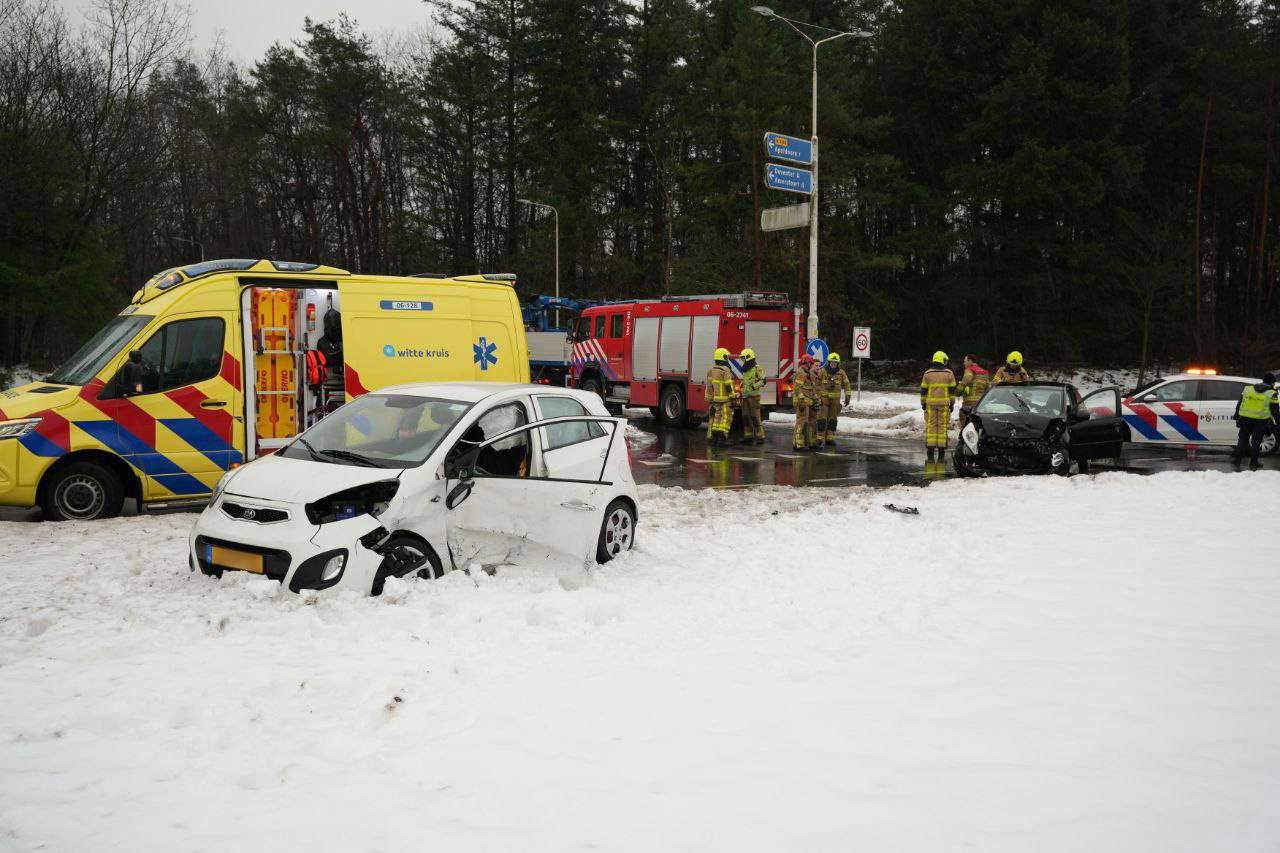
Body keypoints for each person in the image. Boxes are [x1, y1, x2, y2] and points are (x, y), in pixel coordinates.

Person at [1231, 372, 1279, 470]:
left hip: (1245, 418)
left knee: (1242, 440)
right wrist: (1278, 423)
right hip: (1260, 421)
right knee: (1256, 442)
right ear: (1272, 383)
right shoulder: (1272, 393)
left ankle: (1237, 461)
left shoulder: (1248, 389)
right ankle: (1253, 463)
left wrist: (1236, 414)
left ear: (1263, 380)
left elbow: (1240, 403)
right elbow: (1275, 412)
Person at [920, 351, 957, 462]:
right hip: (944, 404)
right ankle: (941, 453)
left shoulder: (927, 373)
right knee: (942, 426)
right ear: (942, 360)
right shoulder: (949, 373)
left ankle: (930, 451)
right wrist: (952, 404)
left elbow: (923, 391)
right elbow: (952, 391)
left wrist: (923, 403)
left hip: (930, 404)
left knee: (931, 426)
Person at [816, 353, 852, 448]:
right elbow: (816, 385)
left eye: (835, 363)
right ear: (829, 362)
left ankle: (830, 439)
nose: (833, 364)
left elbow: (847, 385)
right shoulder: (822, 372)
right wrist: (817, 397)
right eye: (832, 362)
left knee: (832, 420)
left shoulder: (841, 373)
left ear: (838, 363)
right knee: (822, 420)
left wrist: (848, 397)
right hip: (824, 401)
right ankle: (819, 439)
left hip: (835, 402)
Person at [705, 347, 736, 447]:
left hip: (715, 399)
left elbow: (709, 386)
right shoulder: (725, 370)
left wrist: (710, 398)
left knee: (717, 417)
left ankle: (715, 438)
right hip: (725, 398)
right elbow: (728, 384)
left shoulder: (711, 370)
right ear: (723, 358)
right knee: (726, 417)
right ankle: (722, 439)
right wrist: (732, 396)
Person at [738, 348, 766, 445]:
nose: (742, 360)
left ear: (749, 357)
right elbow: (746, 381)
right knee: (745, 417)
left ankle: (760, 436)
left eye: (743, 358)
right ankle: (748, 436)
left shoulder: (757, 368)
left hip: (754, 397)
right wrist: (741, 387)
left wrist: (753, 386)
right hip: (745, 397)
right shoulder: (746, 369)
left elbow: (763, 380)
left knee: (755, 417)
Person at [792, 354, 818, 451]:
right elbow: (797, 388)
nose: (811, 365)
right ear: (808, 363)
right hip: (803, 403)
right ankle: (798, 444)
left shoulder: (808, 373)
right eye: (811, 363)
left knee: (811, 422)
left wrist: (816, 400)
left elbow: (812, 388)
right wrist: (801, 401)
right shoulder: (801, 373)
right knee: (801, 423)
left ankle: (811, 443)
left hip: (809, 402)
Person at [957, 354, 991, 429]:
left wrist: (958, 391)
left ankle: (965, 439)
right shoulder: (984, 372)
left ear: (970, 361)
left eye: (965, 361)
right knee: (978, 423)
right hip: (980, 404)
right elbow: (988, 388)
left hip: (969, 403)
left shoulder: (969, 370)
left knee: (964, 421)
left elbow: (965, 381)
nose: (964, 363)